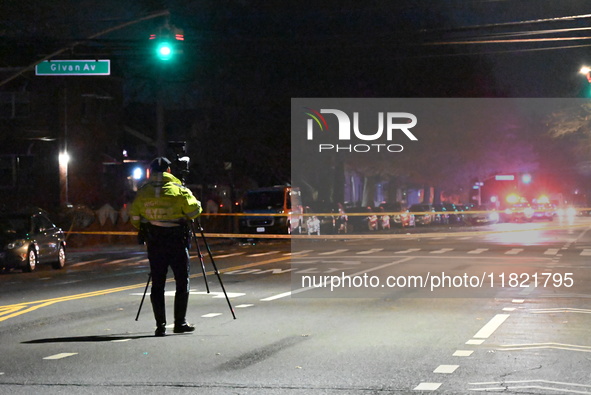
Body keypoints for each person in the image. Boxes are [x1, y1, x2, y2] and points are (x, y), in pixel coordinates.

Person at [130, 157, 203, 337]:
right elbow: (195, 211)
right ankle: (180, 323)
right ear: (169, 171)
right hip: (177, 240)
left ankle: (160, 325)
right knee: (182, 280)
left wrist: (148, 226)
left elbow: (135, 218)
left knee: (157, 283)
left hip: (155, 242)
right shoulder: (179, 190)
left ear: (151, 172)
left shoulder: (143, 192)